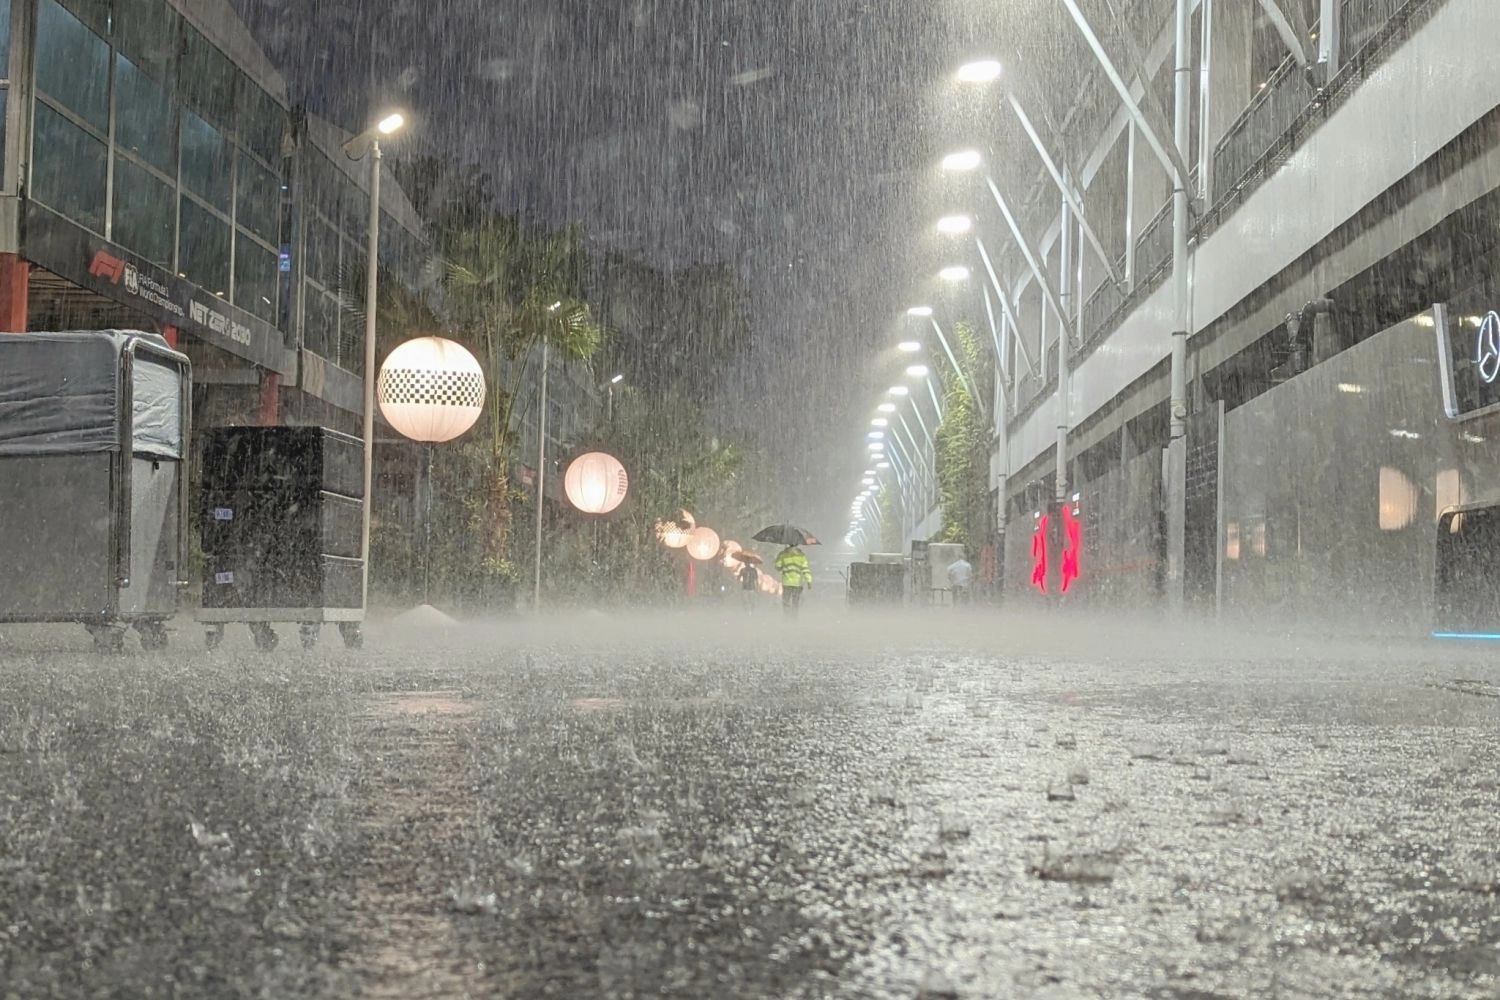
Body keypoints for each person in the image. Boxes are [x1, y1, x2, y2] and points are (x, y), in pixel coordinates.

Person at [775, 545, 812, 616]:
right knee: (795, 602)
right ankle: (794, 618)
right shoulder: (801, 556)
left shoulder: (783, 554)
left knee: (786, 602)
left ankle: (786, 617)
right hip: (797, 583)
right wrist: (809, 581)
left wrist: (780, 556)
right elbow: (805, 569)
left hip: (786, 583)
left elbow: (777, 566)